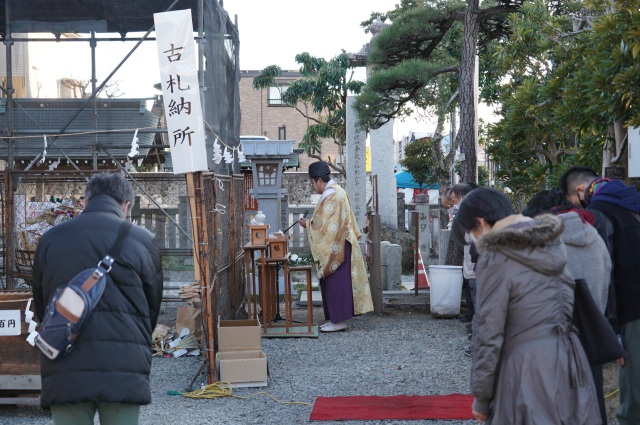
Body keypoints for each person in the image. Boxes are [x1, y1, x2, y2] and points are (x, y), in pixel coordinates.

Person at [454, 187, 599, 424]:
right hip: (569, 357)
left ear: (481, 222)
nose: (475, 238)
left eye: (472, 230)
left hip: (525, 365)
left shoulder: (496, 255)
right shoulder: (551, 242)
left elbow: (489, 333)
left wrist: (482, 397)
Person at [32, 173, 164, 425]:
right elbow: (152, 307)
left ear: (85, 201)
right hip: (123, 366)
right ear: (125, 205)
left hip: (64, 361)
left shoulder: (52, 239)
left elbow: (42, 301)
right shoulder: (142, 241)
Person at [524, 188, 613, 424]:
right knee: (592, 405)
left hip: (553, 341)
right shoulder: (594, 236)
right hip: (593, 335)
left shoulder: (545, 243)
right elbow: (606, 283)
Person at [578, 176, 640, 425]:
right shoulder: (633, 205)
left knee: (633, 376)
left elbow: (606, 269)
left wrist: (610, 326)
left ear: (586, 192)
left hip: (630, 305)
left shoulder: (598, 213)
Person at [299, 161, 373, 332]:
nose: (313, 186)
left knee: (336, 281)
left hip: (336, 245)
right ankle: (335, 318)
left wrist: (308, 224)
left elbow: (324, 226)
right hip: (342, 242)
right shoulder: (337, 191)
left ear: (318, 180)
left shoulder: (331, 195)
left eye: (312, 182)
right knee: (338, 281)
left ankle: (338, 320)